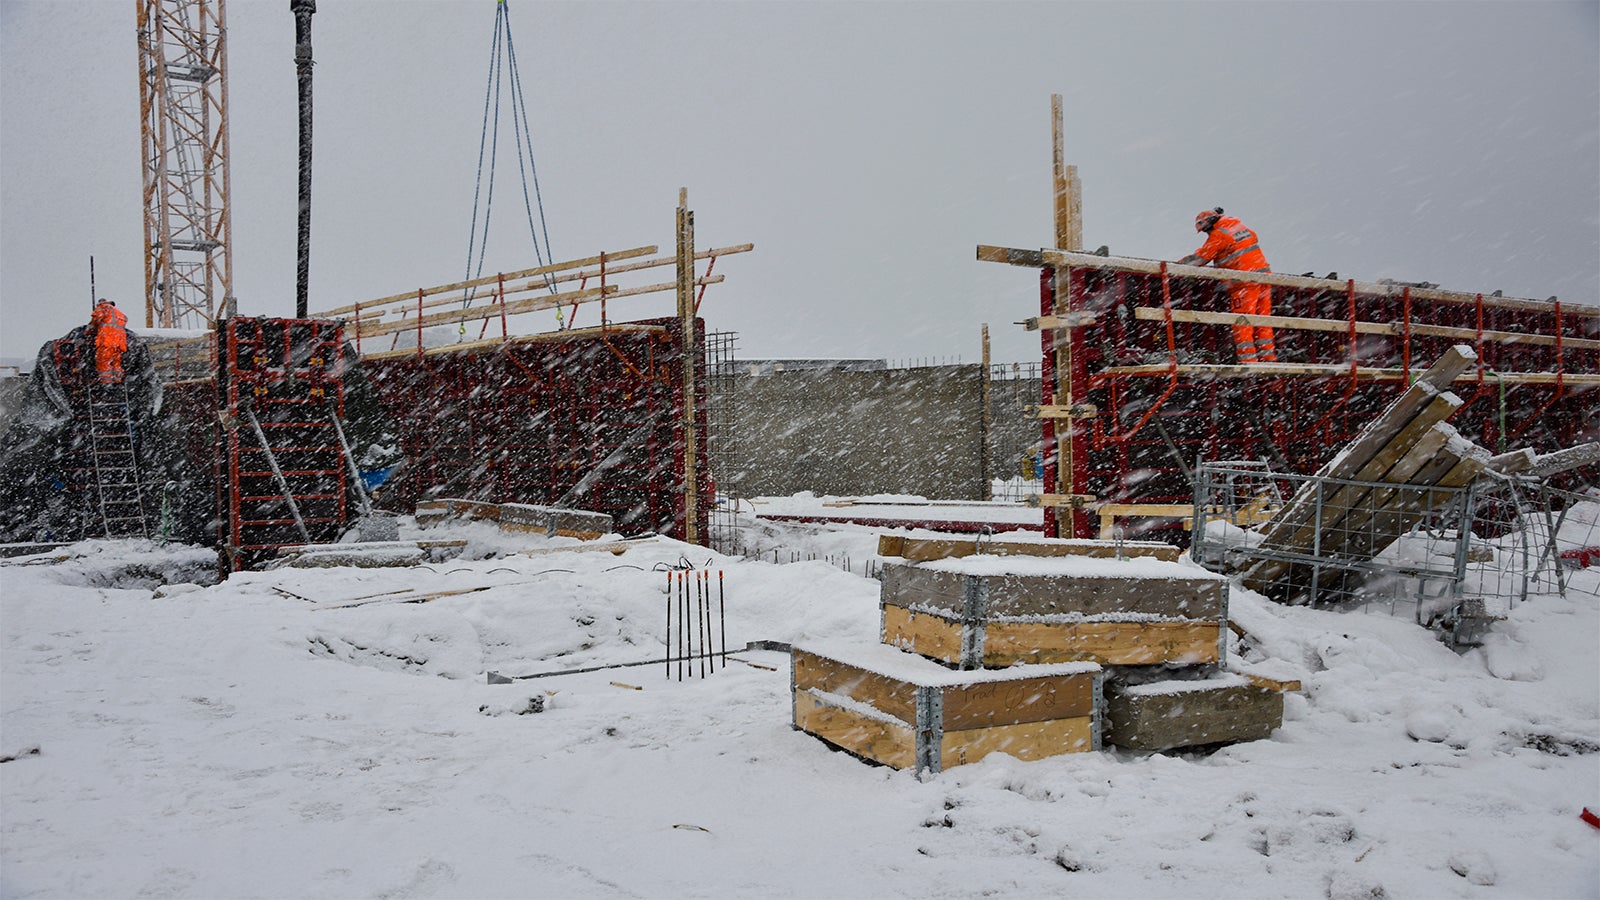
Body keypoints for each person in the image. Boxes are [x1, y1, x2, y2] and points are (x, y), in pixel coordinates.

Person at [1179, 208, 1276, 364]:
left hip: (1243, 282)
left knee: (1242, 323)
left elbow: (1201, 258)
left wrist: (1180, 266)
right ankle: (1268, 359)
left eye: (1206, 231)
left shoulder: (1219, 234)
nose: (1207, 234)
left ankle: (1248, 361)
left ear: (1210, 223)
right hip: (1264, 278)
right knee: (1263, 322)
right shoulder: (1241, 228)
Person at [89, 298, 129, 384]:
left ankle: (107, 384)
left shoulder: (102, 307)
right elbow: (125, 320)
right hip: (119, 344)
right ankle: (117, 381)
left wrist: (89, 328)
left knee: (104, 362)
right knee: (116, 364)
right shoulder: (119, 313)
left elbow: (96, 319)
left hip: (107, 342)